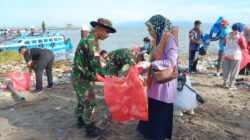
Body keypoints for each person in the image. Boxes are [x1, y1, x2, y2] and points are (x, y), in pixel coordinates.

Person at [71, 18, 116, 137]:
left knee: (82, 100)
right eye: (107, 32)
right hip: (82, 78)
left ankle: (80, 121)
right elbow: (95, 65)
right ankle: (90, 131)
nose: (108, 35)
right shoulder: (91, 43)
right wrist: (108, 77)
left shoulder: (92, 40)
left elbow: (93, 62)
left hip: (80, 75)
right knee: (90, 103)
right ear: (98, 28)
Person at [137, 15, 178, 140]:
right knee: (152, 108)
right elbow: (151, 58)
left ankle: (158, 136)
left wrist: (151, 64)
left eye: (151, 29)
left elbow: (171, 62)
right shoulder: (156, 41)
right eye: (148, 30)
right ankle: (149, 134)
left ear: (158, 27)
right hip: (154, 80)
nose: (149, 32)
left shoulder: (170, 39)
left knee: (160, 110)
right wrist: (140, 68)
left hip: (164, 81)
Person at [222, 23, 247, 89]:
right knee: (234, 70)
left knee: (226, 70)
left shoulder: (228, 34)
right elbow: (244, 46)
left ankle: (225, 82)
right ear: (240, 29)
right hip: (236, 55)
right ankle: (231, 84)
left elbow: (224, 43)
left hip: (227, 54)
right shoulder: (240, 36)